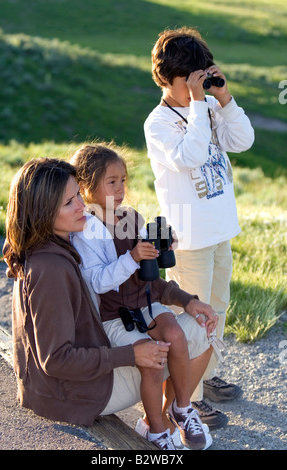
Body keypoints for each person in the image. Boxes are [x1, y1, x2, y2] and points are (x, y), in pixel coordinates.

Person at [3, 157, 176, 447]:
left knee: (168, 341)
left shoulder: (46, 244)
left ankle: (162, 421)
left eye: (78, 195)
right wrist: (131, 355)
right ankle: (158, 427)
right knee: (176, 348)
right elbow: (56, 359)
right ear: (43, 211)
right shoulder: (51, 270)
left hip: (51, 386)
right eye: (69, 202)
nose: (83, 206)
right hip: (66, 395)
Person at [69, 143, 219, 450]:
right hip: (114, 317)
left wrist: (159, 250)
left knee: (176, 334)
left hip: (146, 304)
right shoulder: (85, 231)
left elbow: (149, 281)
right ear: (85, 186)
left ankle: (181, 407)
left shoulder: (131, 218)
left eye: (123, 180)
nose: (121, 188)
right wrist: (133, 258)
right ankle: (155, 430)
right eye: (112, 181)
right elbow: (97, 282)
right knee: (153, 357)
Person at [143, 27, 255, 428]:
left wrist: (222, 99)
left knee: (218, 311)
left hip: (220, 228)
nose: (197, 88)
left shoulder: (207, 107)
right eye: (188, 81)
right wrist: (197, 104)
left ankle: (204, 379)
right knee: (193, 322)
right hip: (190, 238)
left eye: (201, 79)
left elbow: (242, 139)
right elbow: (190, 156)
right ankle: (185, 398)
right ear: (166, 79)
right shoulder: (158, 123)